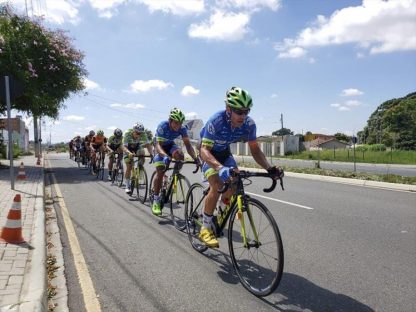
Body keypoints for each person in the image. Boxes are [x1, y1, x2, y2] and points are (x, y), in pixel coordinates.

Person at [199, 87, 283, 248]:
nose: (243, 116)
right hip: (208, 154)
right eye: (239, 112)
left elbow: (255, 149)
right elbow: (204, 150)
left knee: (235, 185)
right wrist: (219, 168)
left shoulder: (249, 125)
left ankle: (220, 212)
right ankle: (205, 227)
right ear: (228, 109)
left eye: (246, 111)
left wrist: (269, 168)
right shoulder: (215, 121)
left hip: (225, 153)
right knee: (216, 186)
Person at [151, 108, 200, 216]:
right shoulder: (163, 125)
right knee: (160, 171)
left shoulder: (182, 129)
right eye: (176, 123)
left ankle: (174, 176)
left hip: (170, 145)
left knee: (180, 155)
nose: (178, 126)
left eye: (180, 123)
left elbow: (188, 146)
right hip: (159, 146)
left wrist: (196, 158)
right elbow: (158, 145)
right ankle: (156, 199)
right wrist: (164, 156)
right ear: (170, 121)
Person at [123, 122, 153, 194]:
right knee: (129, 167)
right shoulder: (127, 133)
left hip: (137, 146)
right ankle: (127, 185)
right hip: (128, 148)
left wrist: (151, 154)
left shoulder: (143, 134)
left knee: (142, 153)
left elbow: (148, 145)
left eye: (140, 133)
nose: (138, 135)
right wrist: (129, 153)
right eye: (137, 133)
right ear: (133, 131)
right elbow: (124, 147)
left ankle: (139, 168)